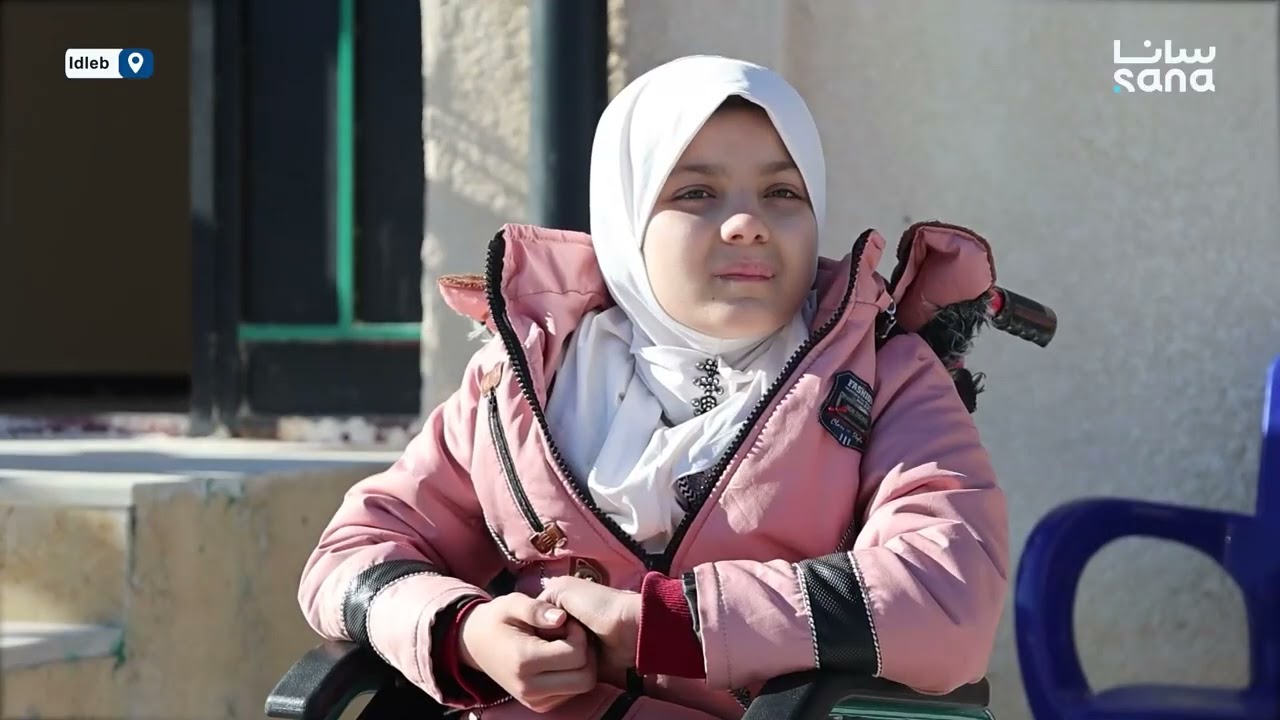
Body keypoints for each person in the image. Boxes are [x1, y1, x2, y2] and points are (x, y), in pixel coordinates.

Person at [297, 55, 1009, 720]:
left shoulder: (886, 378)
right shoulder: (520, 382)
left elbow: (948, 594)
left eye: (782, 192)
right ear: (625, 216)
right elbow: (350, 555)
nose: (747, 224)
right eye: (695, 191)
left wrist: (676, 625)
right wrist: (463, 630)